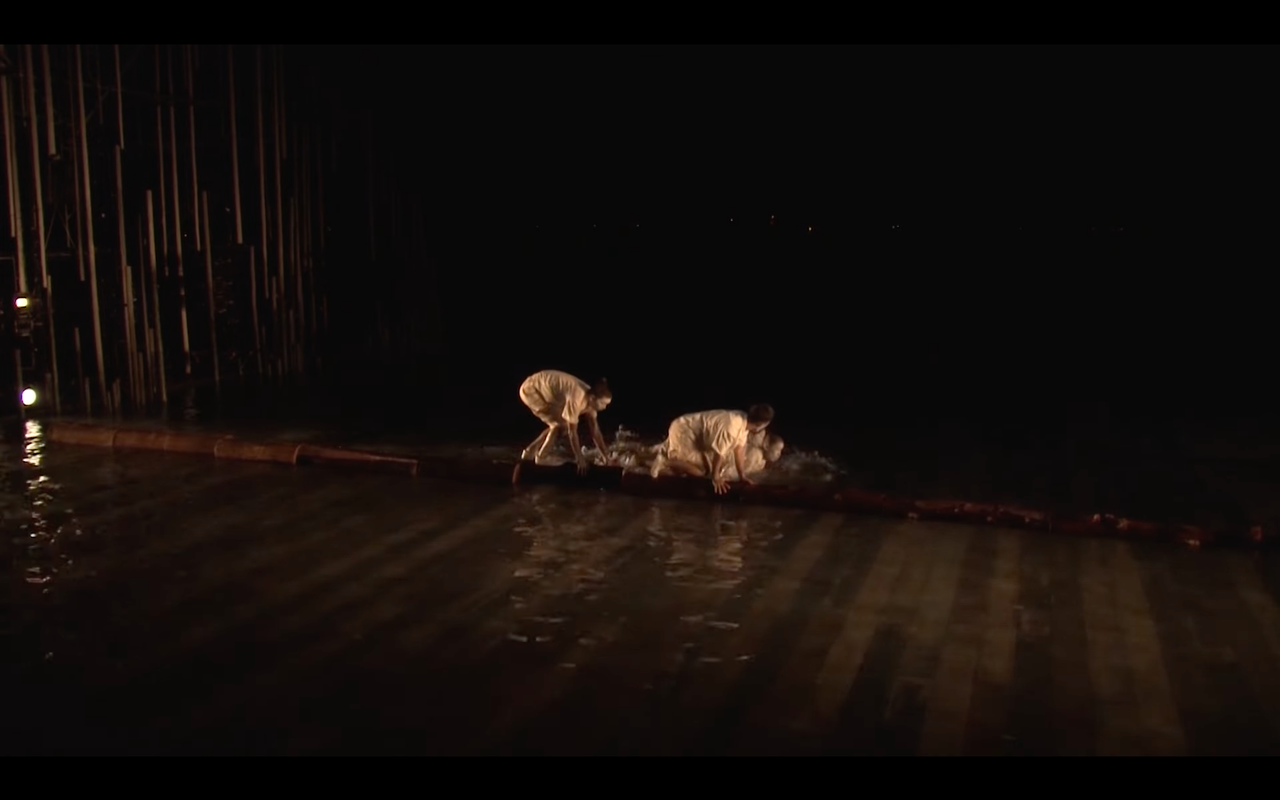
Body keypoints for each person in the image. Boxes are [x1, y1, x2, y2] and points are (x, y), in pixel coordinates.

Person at [650, 404, 775, 494]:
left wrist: (742, 476)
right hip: (685, 429)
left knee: (702, 469)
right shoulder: (732, 428)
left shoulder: (743, 422)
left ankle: (660, 457)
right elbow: (719, 453)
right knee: (701, 473)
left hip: (698, 435)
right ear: (761, 424)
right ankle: (664, 461)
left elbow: (739, 450)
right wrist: (716, 477)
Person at [517, 369, 612, 476]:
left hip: (542, 389)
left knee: (558, 424)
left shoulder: (590, 401)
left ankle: (529, 452)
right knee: (560, 425)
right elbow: (572, 433)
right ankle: (542, 457)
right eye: (603, 404)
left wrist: (606, 457)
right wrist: (579, 458)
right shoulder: (577, 398)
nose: (605, 407)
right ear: (593, 398)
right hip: (531, 390)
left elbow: (595, 431)